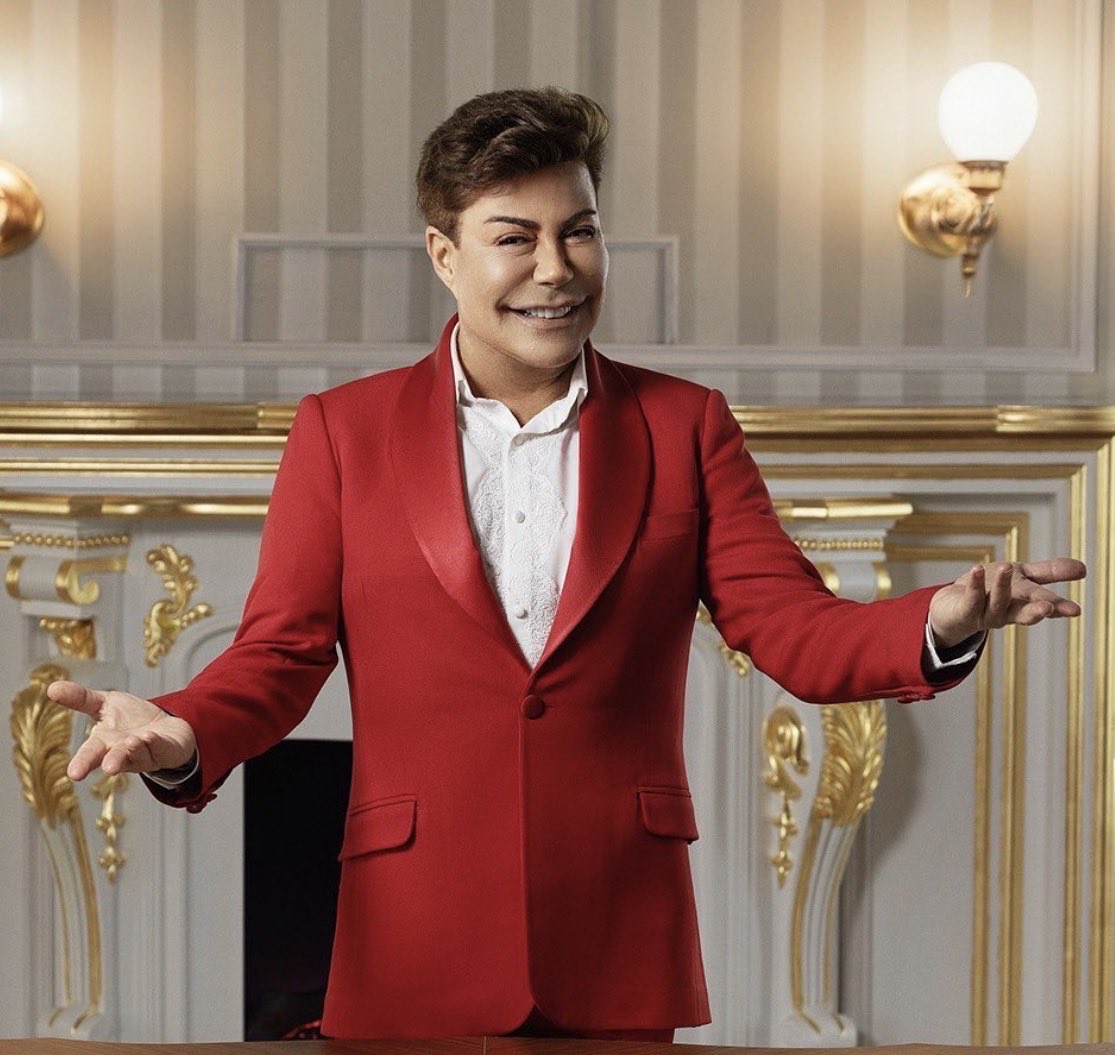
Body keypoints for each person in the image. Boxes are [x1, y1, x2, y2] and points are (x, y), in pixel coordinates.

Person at [48, 87, 1085, 1043]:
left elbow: (792, 628)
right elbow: (279, 654)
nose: (554, 268)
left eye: (578, 231)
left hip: (617, 938)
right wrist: (182, 728)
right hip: (408, 941)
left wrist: (937, 621)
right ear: (443, 254)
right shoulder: (341, 432)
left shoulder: (685, 426)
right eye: (514, 237)